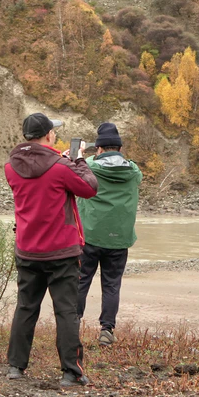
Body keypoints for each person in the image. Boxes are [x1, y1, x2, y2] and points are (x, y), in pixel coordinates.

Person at [4, 112, 98, 388]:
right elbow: (90, 188)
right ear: (48, 135)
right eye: (53, 131)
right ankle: (71, 371)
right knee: (66, 311)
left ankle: (16, 366)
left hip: (27, 249)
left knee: (26, 307)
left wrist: (66, 161)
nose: (54, 134)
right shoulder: (61, 166)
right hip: (61, 251)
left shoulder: (11, 167)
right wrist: (78, 159)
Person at [76, 122, 142, 346]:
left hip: (89, 237)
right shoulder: (133, 171)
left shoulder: (89, 166)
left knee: (81, 281)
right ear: (120, 149)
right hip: (119, 239)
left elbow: (75, 172)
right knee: (112, 284)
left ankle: (73, 325)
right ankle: (107, 329)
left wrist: (79, 155)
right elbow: (138, 176)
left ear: (99, 149)